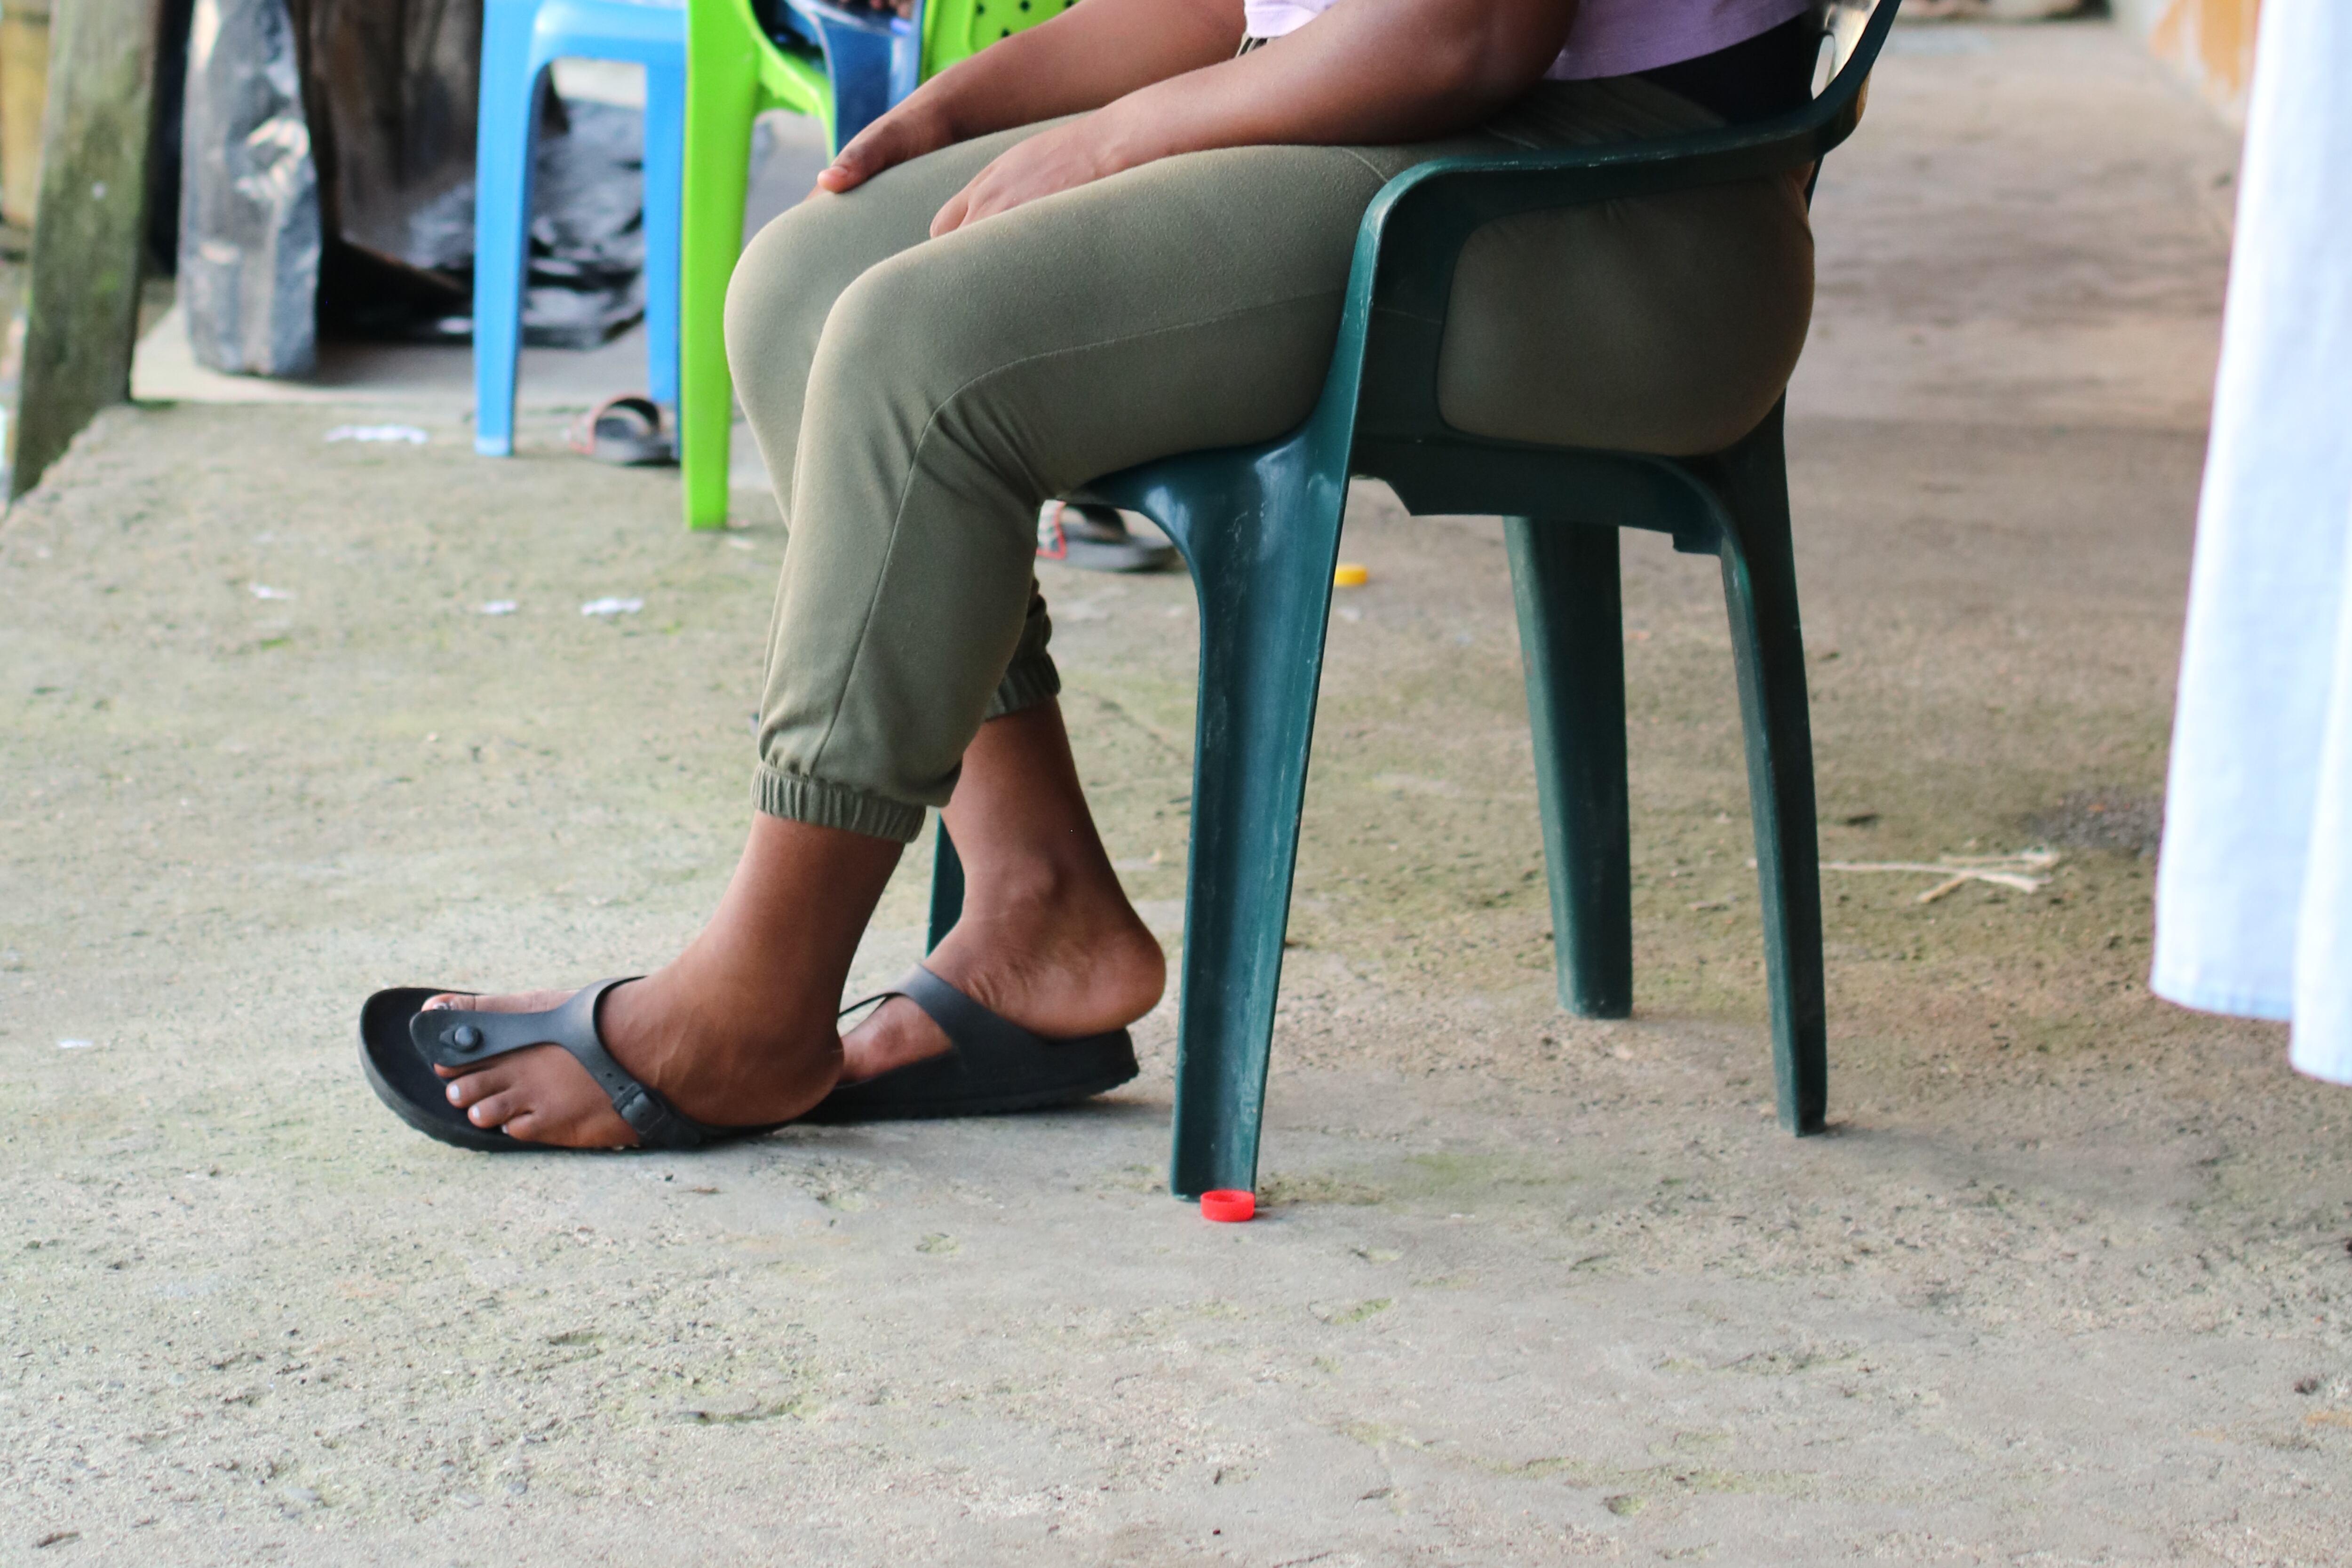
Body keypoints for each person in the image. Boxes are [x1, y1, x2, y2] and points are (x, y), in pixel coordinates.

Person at [361, 0, 1824, 1149]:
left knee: (919, 353)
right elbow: (1234, 4)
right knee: (809, 286)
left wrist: (1123, 138)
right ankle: (1036, 908)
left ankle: (757, 999)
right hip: (1407, 114)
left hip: (1619, 205)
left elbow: (1462, 30)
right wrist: (966, 108)